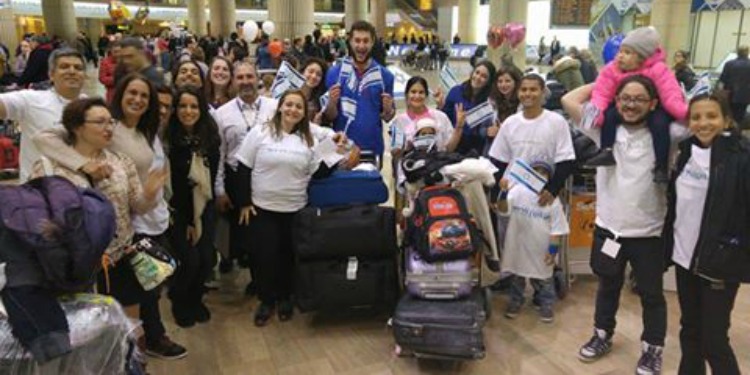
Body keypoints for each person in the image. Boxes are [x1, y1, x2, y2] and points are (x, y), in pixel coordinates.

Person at [562, 75, 689, 375]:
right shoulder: (602, 129)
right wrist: (607, 79)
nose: (631, 105)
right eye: (625, 98)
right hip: (609, 228)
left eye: (640, 99)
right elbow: (569, 100)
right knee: (608, 286)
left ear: (653, 103)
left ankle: (652, 349)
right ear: (616, 101)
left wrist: (664, 80)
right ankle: (602, 335)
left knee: (651, 294)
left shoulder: (667, 133)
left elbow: (691, 114)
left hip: (648, 233)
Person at [28, 97, 168, 353]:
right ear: (78, 128)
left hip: (120, 258)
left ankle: (132, 365)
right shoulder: (49, 168)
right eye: (100, 122)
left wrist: (149, 194)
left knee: (131, 331)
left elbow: (137, 207)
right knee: (87, 339)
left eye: (110, 122)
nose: (108, 128)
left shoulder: (120, 161)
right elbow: (38, 221)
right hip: (77, 269)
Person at [232, 89, 346, 327]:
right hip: (262, 208)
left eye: (298, 107)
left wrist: (335, 152)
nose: (293, 110)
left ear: (304, 113)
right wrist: (244, 202)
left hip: (294, 209)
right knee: (264, 258)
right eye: (289, 105)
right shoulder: (260, 132)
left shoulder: (308, 139)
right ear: (280, 107)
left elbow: (319, 171)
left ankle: (285, 298)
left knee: (287, 257)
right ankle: (266, 300)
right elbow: (243, 166)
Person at [664, 93, 750, 375]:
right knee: (689, 332)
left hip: (720, 264)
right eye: (696, 117)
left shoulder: (741, 156)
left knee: (714, 340)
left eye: (712, 116)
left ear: (726, 120)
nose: (703, 123)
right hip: (685, 258)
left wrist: (735, 251)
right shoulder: (685, 151)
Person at [585, 27, 687, 183]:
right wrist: (595, 113)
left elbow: (670, 93)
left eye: (627, 53)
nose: (620, 56)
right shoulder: (611, 70)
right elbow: (601, 93)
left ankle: (661, 165)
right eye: (620, 51)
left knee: (660, 124)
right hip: (623, 107)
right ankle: (607, 150)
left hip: (652, 108)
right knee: (609, 116)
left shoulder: (658, 69)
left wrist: (682, 112)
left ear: (642, 57)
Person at [166, 86, 221, 328]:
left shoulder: (210, 137)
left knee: (207, 259)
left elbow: (212, 175)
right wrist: (188, 220)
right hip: (180, 210)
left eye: (194, 106)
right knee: (189, 260)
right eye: (183, 106)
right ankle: (180, 301)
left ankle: (196, 299)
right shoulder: (169, 141)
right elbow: (175, 186)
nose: (188, 111)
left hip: (205, 206)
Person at [488, 73, 576, 216]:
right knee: (511, 238)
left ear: (543, 93)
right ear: (518, 93)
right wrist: (495, 194)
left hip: (542, 197)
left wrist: (552, 189)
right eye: (523, 90)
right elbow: (499, 160)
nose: (528, 94)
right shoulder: (510, 123)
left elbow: (566, 160)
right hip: (512, 195)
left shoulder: (557, 122)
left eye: (533, 90)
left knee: (541, 238)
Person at [496, 160, 569, 323]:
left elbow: (557, 230)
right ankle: (516, 301)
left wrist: (552, 251)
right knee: (517, 277)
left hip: (540, 248)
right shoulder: (517, 192)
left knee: (544, 279)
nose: (539, 178)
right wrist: (503, 192)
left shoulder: (553, 202)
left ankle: (546, 304)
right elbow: (502, 210)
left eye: (543, 174)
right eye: (535, 173)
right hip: (518, 246)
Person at [0, 48, 86, 181]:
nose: (72, 71)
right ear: (51, 75)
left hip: (82, 188)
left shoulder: (92, 105)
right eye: (64, 67)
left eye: (78, 68)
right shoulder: (31, 99)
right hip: (40, 190)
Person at [325, 20, 395, 159]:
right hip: (341, 148)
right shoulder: (335, 73)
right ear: (350, 41)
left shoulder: (385, 76)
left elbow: (387, 117)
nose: (361, 46)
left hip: (372, 149)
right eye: (357, 40)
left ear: (372, 42)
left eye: (365, 41)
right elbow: (329, 116)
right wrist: (332, 102)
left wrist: (388, 110)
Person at [436, 60, 496, 156]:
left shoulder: (489, 101)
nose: (478, 78)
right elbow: (444, 118)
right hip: (453, 144)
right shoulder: (456, 91)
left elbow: (486, 130)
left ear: (489, 81)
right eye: (477, 73)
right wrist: (440, 106)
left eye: (484, 76)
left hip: (476, 150)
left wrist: (490, 131)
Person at [299, 57, 339, 125]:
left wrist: (332, 102)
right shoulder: (289, 92)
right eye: (311, 71)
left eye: (319, 75)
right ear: (303, 71)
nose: (314, 76)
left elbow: (331, 117)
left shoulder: (320, 101)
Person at [719, 45, 750, 124]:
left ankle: (728, 131)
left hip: (730, 94)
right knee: (740, 116)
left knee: (728, 114)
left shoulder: (729, 64)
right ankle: (737, 133)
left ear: (737, 53)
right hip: (745, 95)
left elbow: (723, 79)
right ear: (747, 52)